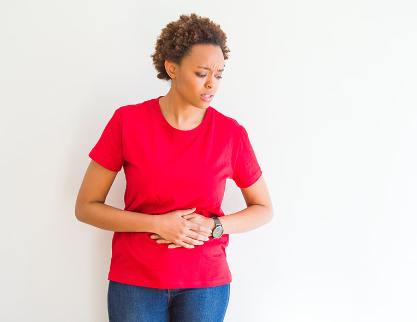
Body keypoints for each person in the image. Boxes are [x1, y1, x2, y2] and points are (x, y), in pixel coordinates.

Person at [75, 13, 274, 322]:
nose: (212, 83)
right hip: (135, 282)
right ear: (172, 67)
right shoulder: (127, 122)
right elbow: (86, 207)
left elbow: (263, 208)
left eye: (219, 74)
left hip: (206, 285)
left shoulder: (230, 134)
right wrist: (156, 224)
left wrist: (214, 226)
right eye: (201, 72)